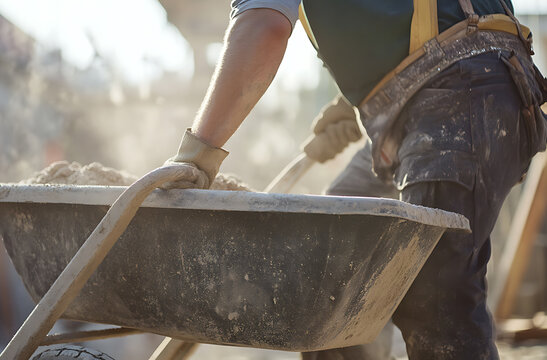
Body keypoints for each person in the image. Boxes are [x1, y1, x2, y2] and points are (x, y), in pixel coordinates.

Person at [162, 0, 547, 358]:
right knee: (334, 266)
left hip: (458, 97)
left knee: (435, 299)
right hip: (456, 90)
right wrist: (360, 105)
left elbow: (263, 28)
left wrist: (199, 153)